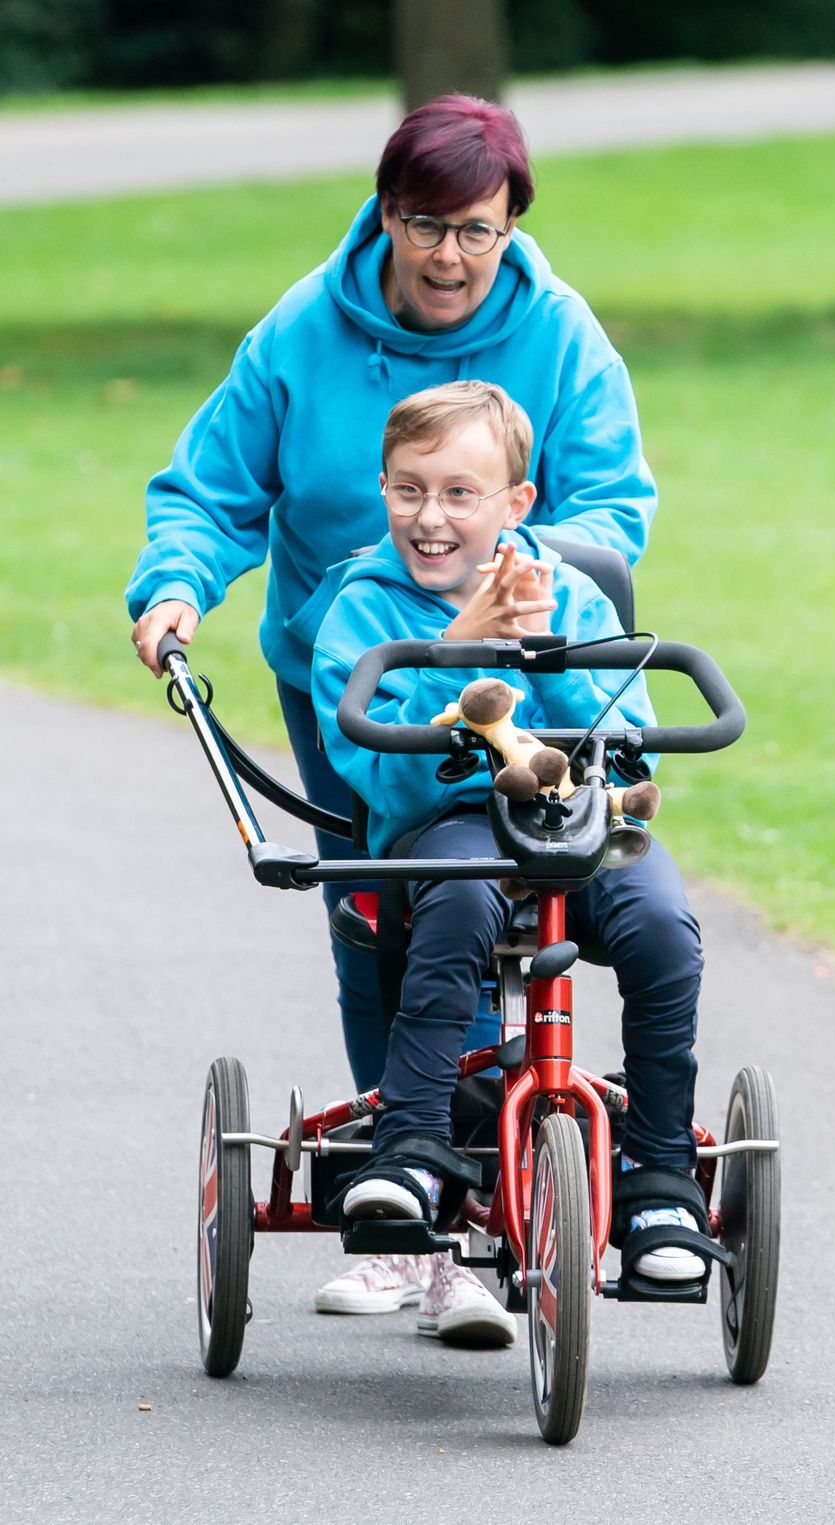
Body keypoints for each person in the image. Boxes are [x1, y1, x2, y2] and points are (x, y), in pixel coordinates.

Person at [126, 93, 657, 1314]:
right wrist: (174, 591)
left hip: (528, 674)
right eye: (425, 225)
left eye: (475, 228)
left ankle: (486, 1186)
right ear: (386, 215)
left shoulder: (562, 338)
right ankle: (407, 1214)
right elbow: (209, 489)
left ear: (511, 220)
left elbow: (614, 506)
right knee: (384, 912)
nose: (449, 254)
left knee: (493, 899)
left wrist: (522, 582)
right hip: (349, 665)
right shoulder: (303, 334)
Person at [311, 382, 705, 1348]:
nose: (431, 516)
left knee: (665, 931)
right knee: (453, 908)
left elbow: (632, 739)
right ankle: (412, 1149)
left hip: (577, 820)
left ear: (515, 504)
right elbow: (384, 781)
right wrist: (454, 651)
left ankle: (659, 1178)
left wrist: (539, 650)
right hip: (446, 826)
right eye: (409, 491)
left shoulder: (567, 591)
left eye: (458, 492)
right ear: (384, 489)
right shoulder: (359, 606)